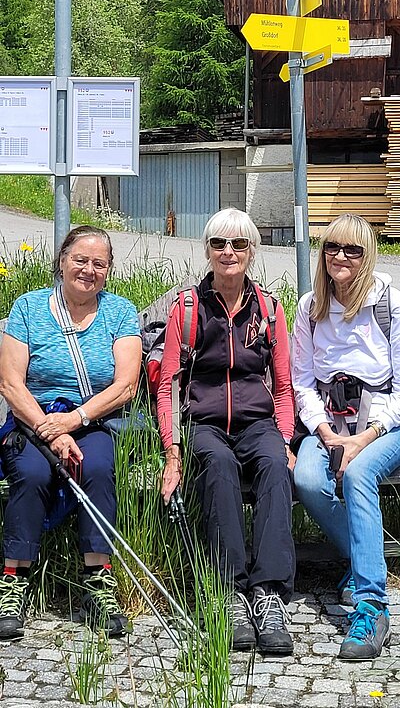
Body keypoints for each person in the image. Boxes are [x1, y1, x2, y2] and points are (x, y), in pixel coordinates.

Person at [157, 208, 296, 655]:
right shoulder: (188, 308)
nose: (228, 252)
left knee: (275, 465)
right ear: (207, 250)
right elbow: (169, 383)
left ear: (252, 251)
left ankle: (269, 593)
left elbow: (284, 386)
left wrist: (287, 439)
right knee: (216, 466)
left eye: (238, 244)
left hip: (258, 424)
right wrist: (172, 454)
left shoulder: (271, 310)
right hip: (206, 423)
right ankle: (229, 594)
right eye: (219, 243)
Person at [0, 225, 142, 641]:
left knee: (97, 467)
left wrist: (74, 421)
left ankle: (97, 582)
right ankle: (13, 580)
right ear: (62, 261)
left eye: (99, 264)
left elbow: (124, 386)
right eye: (80, 260)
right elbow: (11, 383)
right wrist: (52, 429)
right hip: (34, 419)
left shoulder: (119, 312)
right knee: (31, 471)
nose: (88, 270)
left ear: (109, 271)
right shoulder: (28, 308)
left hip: (96, 418)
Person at [292, 213, 400, 661]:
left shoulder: (387, 300)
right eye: (332, 247)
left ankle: (372, 606)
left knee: (357, 476)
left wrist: (365, 436)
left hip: (385, 422)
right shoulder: (309, 306)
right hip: (328, 420)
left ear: (367, 255)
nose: (340, 256)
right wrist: (324, 431)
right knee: (307, 480)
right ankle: (362, 562)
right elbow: (300, 382)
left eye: (352, 250)